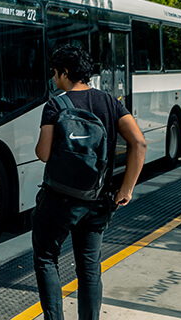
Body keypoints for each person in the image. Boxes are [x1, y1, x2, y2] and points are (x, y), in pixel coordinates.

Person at [33, 45, 146, 320]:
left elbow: (43, 154)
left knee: (47, 258)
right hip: (97, 200)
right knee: (89, 269)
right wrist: (126, 190)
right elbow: (139, 143)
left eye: (55, 73)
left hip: (58, 201)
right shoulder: (109, 102)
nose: (54, 78)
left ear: (65, 73)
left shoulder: (56, 104)